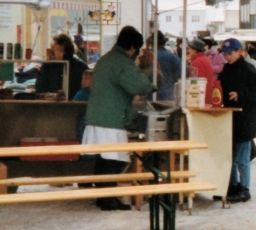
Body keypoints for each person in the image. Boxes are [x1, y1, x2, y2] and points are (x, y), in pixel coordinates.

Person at [83, 26, 154, 210]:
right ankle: (108, 200)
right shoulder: (122, 62)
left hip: (97, 116)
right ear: (131, 47)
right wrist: (147, 69)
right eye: (135, 51)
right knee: (112, 160)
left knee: (103, 159)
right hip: (111, 117)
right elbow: (142, 86)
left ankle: (102, 196)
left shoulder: (106, 58)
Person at [217, 38, 256, 203]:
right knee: (230, 156)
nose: (227, 57)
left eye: (229, 53)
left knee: (242, 157)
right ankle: (233, 185)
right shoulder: (227, 69)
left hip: (246, 119)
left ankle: (245, 189)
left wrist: (241, 95)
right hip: (230, 118)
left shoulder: (248, 69)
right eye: (225, 54)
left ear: (239, 52)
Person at [51, 32, 89, 99]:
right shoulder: (81, 64)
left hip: (69, 102)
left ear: (63, 46)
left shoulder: (54, 65)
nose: (53, 47)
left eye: (55, 44)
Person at [154, 32, 182, 104]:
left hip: (151, 96)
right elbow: (180, 78)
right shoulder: (174, 58)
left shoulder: (147, 57)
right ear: (164, 43)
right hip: (168, 97)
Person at [185, 38, 215, 106]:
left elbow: (196, 84)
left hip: (199, 100)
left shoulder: (196, 62)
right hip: (207, 97)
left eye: (190, 48)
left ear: (194, 50)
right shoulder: (205, 59)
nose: (188, 50)